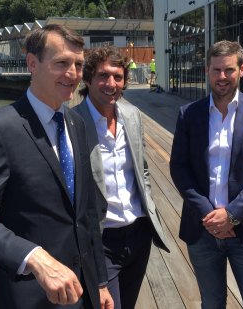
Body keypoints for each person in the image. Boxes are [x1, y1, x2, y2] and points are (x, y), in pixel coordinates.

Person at [0, 24, 114, 309]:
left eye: (78, 64)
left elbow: (85, 214)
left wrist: (99, 281)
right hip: (32, 295)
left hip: (82, 289)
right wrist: (34, 256)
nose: (72, 73)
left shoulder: (77, 124)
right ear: (32, 63)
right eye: (61, 63)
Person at [169, 40, 243, 309]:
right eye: (216, 70)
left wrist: (231, 215)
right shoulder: (189, 114)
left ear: (241, 70)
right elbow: (179, 166)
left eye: (229, 70)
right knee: (212, 303)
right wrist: (209, 214)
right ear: (207, 70)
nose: (222, 77)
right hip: (202, 228)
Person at [73, 45, 170, 309]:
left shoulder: (132, 114)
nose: (111, 83)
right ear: (88, 79)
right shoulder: (74, 123)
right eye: (103, 76)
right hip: (102, 241)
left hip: (138, 235)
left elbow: (143, 168)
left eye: (117, 77)